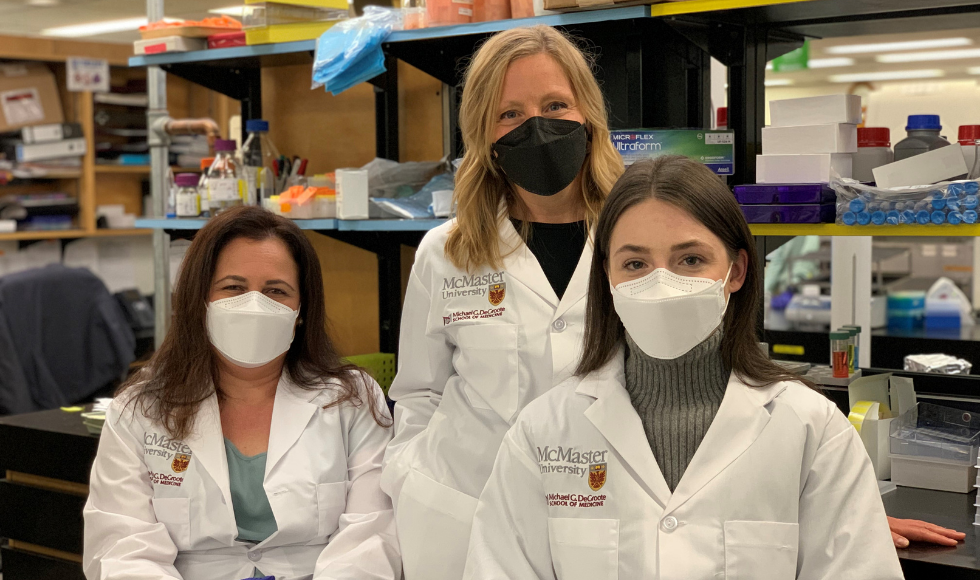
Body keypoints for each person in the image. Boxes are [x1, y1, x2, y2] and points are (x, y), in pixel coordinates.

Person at [462, 156, 905, 579]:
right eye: (635, 263)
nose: (661, 283)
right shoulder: (544, 433)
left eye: (690, 260)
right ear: (608, 277)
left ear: (736, 271)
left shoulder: (812, 429)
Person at [381, 25, 624, 580]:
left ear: (588, 114)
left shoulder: (636, 237)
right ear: (483, 134)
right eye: (509, 114)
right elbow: (418, 391)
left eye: (556, 104)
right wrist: (409, 475)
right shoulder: (445, 251)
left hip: (602, 505)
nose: (536, 126)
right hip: (462, 509)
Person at [83, 207, 401, 580]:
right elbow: (124, 547)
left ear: (301, 310)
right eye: (233, 287)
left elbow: (370, 537)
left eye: (275, 291)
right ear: (199, 301)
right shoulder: (139, 410)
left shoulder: (353, 399)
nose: (254, 304)